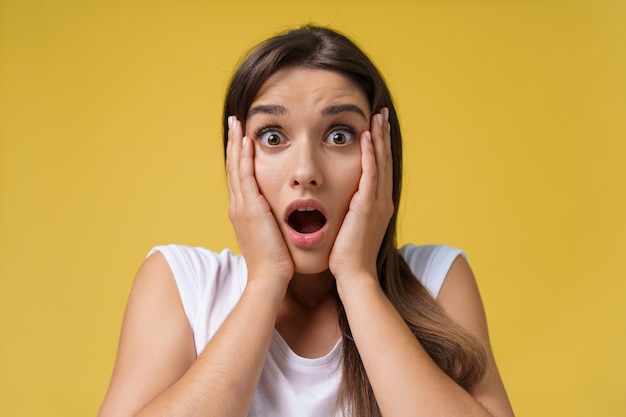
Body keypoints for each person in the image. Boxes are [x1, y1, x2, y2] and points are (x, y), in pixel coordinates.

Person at [98, 25, 514, 417]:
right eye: (273, 137)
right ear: (237, 159)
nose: (306, 171)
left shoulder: (437, 278)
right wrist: (265, 282)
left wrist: (358, 278)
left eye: (339, 135)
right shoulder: (183, 283)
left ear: (384, 156)